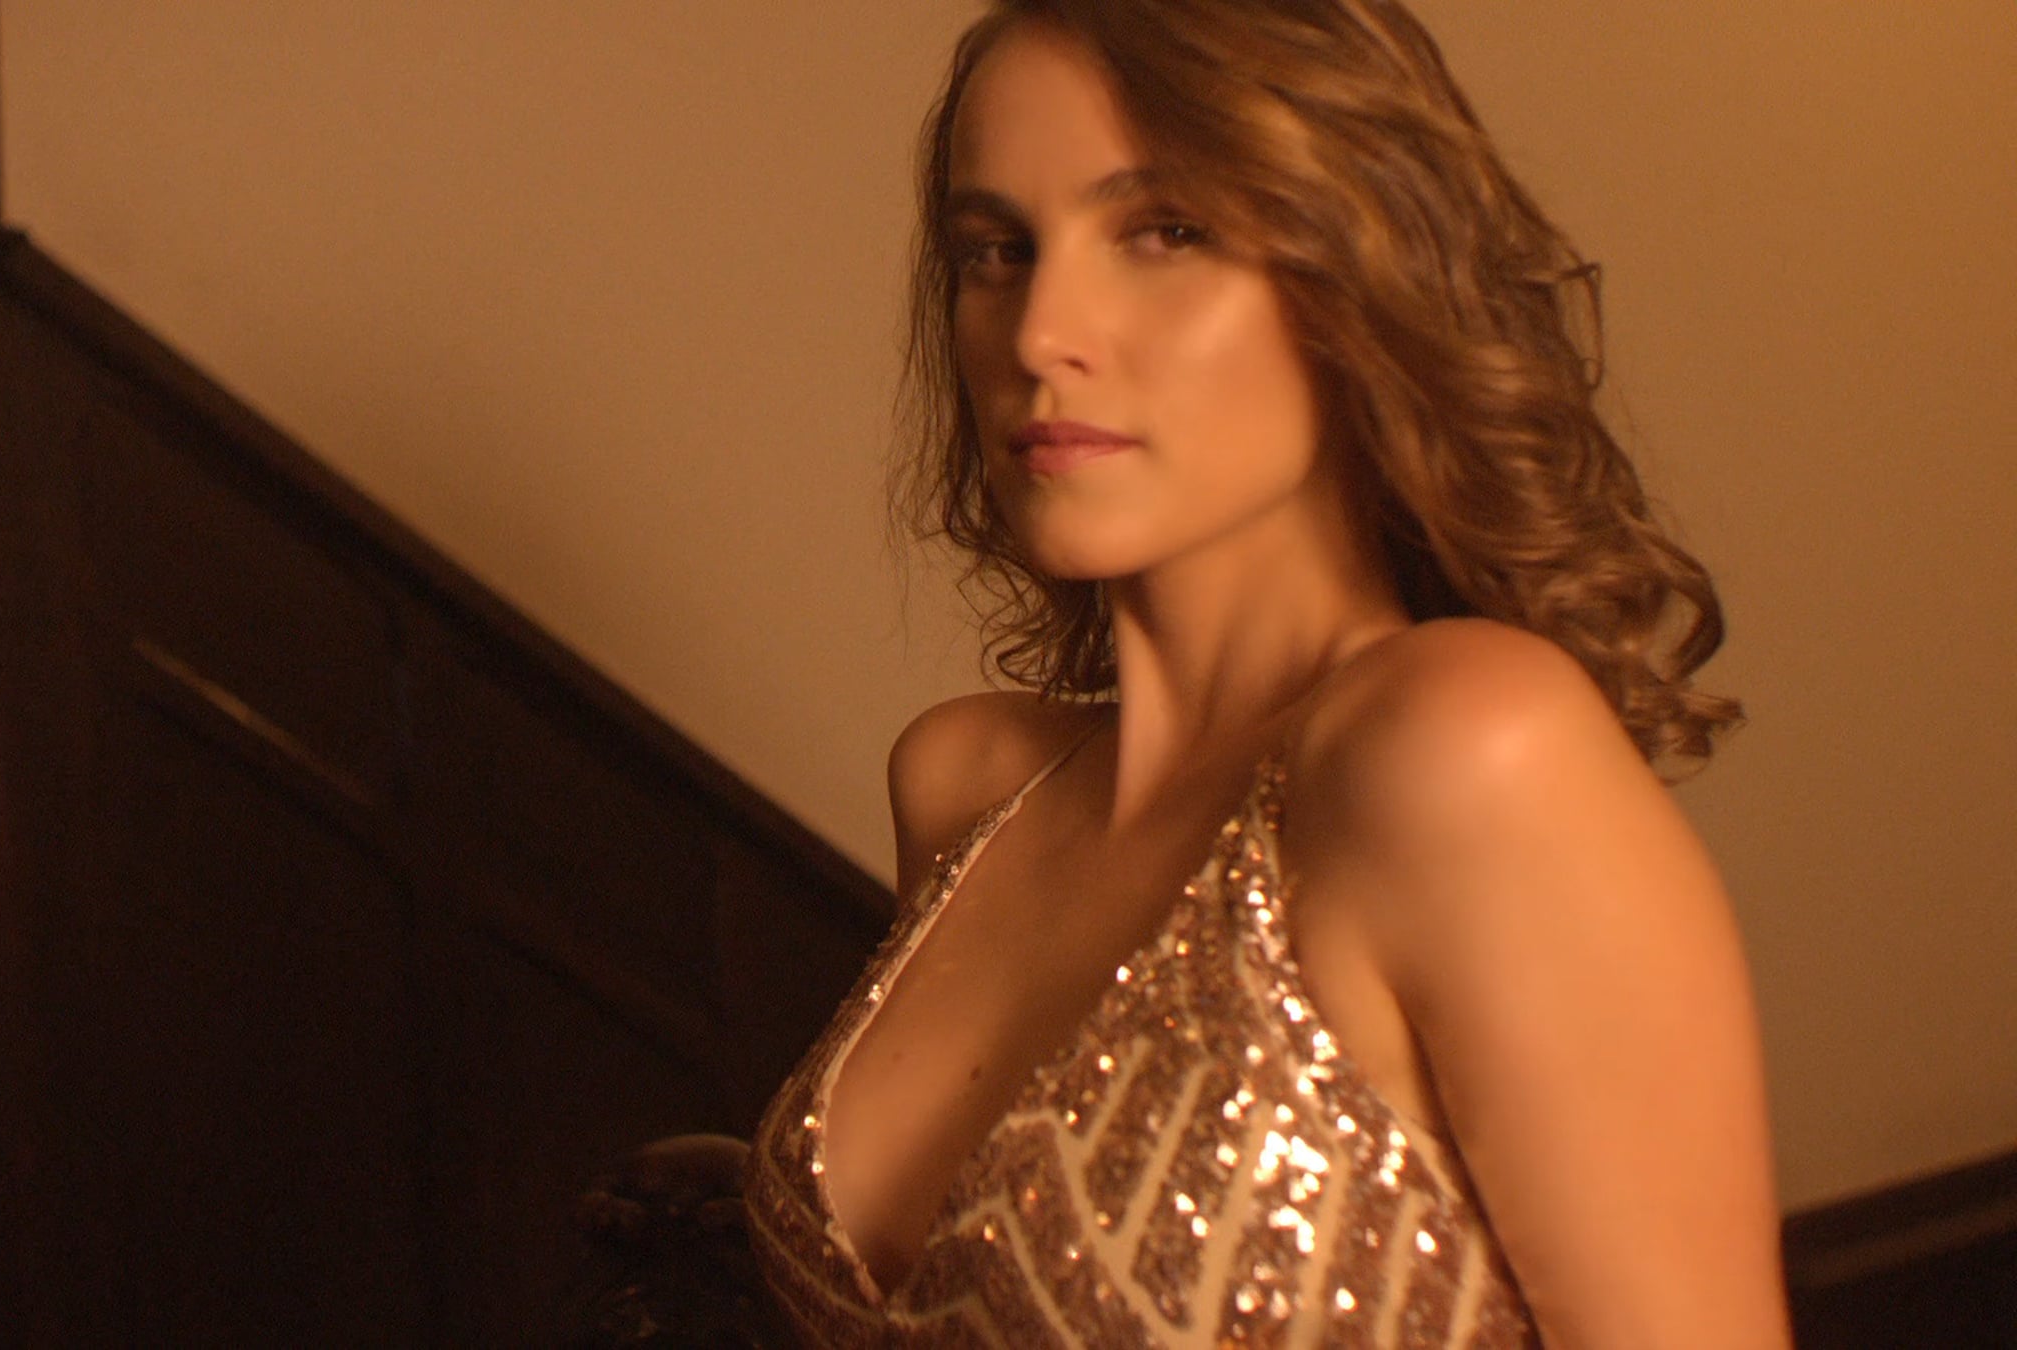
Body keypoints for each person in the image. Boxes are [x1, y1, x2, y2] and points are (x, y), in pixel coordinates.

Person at [743, 1, 1792, 1345]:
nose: (1041, 332)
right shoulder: (965, 787)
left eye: (1165, 231)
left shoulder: (1466, 749)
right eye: (996, 250)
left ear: (1358, 272)